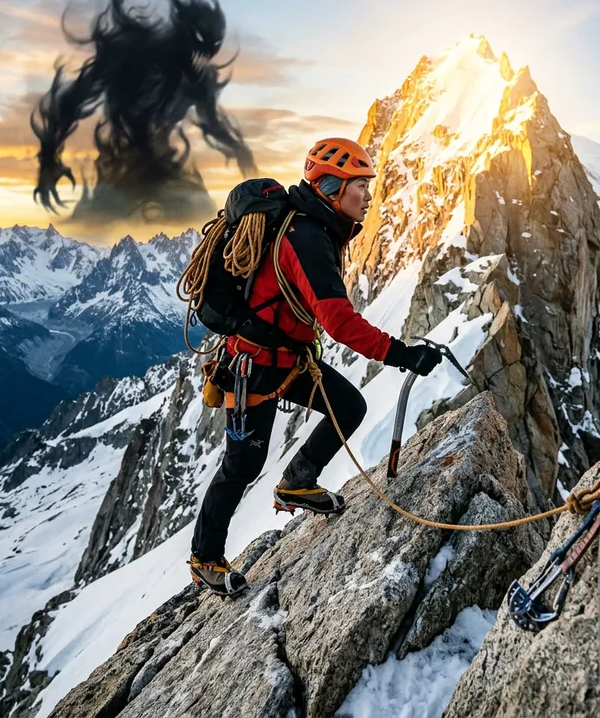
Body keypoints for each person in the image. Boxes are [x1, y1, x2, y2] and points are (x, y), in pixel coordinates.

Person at [189, 138, 442, 596]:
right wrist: (402, 354)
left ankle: (297, 483)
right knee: (243, 464)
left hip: (286, 358)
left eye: (367, 186)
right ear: (329, 187)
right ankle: (205, 557)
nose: (367, 196)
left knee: (349, 406)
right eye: (358, 186)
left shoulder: (318, 229)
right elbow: (339, 321)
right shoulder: (305, 237)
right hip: (255, 367)